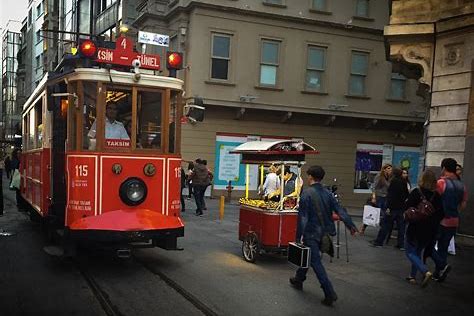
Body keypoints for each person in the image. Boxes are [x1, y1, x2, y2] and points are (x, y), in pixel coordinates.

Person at [289, 165, 358, 307]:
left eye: (308, 176)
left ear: (310, 177)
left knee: (315, 262)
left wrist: (298, 236)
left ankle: (329, 292)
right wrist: (351, 225)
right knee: (310, 257)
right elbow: (340, 211)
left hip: (311, 233)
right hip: (325, 233)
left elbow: (303, 218)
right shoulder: (328, 193)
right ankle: (298, 279)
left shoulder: (306, 194)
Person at [404, 170, 443, 288]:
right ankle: (412, 276)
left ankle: (425, 271)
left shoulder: (416, 192)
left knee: (410, 251)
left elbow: (407, 206)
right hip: (430, 230)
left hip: (415, 227)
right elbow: (442, 214)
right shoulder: (437, 196)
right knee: (418, 251)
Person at [431, 158, 467, 282]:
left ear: (444, 168)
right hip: (454, 220)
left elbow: (433, 201)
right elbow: (463, 205)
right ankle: (438, 273)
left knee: (429, 245)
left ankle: (442, 266)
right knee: (443, 247)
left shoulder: (441, 183)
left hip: (440, 220)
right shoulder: (462, 185)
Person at [371, 168, 409, 249]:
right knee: (401, 227)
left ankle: (379, 242)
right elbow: (406, 194)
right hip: (401, 207)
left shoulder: (393, 182)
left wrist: (388, 206)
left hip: (392, 207)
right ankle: (401, 244)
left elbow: (390, 196)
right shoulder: (403, 182)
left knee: (385, 224)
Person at [360, 164, 392, 235]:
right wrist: (374, 197)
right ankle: (364, 227)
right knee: (372, 213)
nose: (390, 170)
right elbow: (374, 187)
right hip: (378, 196)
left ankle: (383, 230)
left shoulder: (390, 178)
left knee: (383, 214)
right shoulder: (379, 177)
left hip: (385, 197)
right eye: (388, 168)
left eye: (391, 169)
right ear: (384, 169)